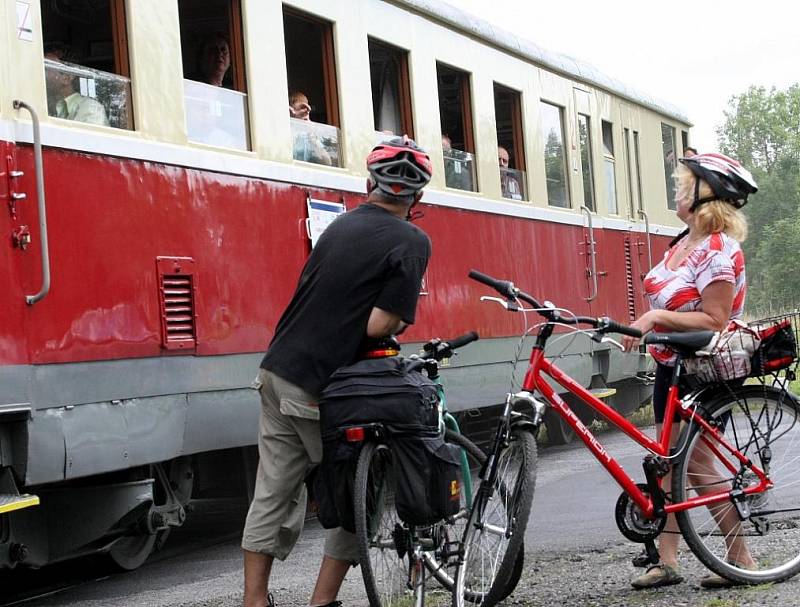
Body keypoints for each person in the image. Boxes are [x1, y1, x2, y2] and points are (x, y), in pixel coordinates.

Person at [242, 136, 433, 607]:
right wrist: (398, 317)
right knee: (358, 492)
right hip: (324, 386)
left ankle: (254, 600)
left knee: (273, 489)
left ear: (369, 184)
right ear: (418, 199)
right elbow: (378, 323)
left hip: (278, 368)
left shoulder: (339, 227)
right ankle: (322, 601)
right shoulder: (412, 241)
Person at [622, 153, 759, 590]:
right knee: (668, 464)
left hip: (699, 370)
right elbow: (670, 302)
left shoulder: (718, 250)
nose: (679, 191)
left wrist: (655, 321)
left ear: (708, 195)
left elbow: (715, 319)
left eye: (687, 185)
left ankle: (742, 560)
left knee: (694, 465)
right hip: (671, 367)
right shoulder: (682, 243)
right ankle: (667, 560)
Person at [44, 42, 109, 127]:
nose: (40, 74)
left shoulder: (91, 109)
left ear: (66, 77)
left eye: (46, 69)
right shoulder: (47, 106)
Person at [289, 91, 332, 166]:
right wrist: (292, 122)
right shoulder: (285, 130)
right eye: (300, 109)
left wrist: (313, 137)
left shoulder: (309, 135)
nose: (304, 113)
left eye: (306, 110)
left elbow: (327, 162)